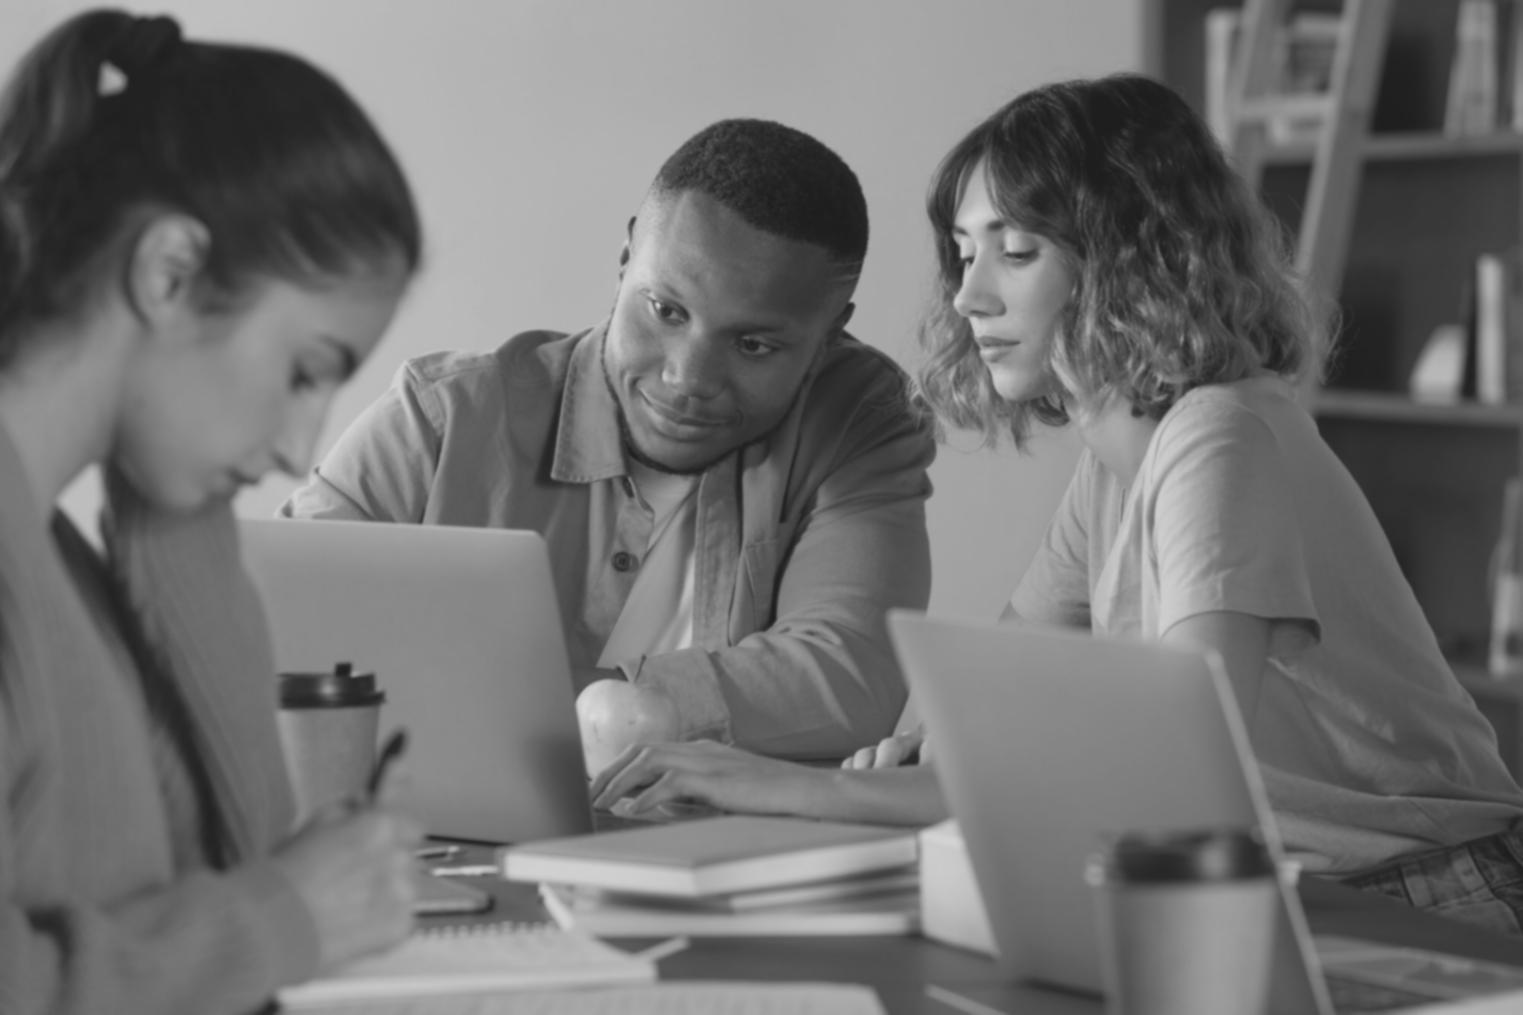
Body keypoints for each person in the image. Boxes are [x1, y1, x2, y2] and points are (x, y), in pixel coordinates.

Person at [590, 74, 1523, 935]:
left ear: (1134, 258)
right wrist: (896, 763)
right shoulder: (1117, 466)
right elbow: (971, 726)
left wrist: (795, 790)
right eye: (962, 254)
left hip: (1423, 892)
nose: (967, 295)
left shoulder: (1217, 438)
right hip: (1278, 885)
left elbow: (1170, 781)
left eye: (1016, 250)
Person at [0, 10, 427, 1012]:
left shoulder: (59, 555)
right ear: (169, 272)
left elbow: (219, 884)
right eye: (304, 371)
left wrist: (176, 530)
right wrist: (286, 915)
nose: (300, 449)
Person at [281, 118, 936, 760]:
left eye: (753, 344)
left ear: (828, 334)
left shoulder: (858, 418)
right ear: (626, 259)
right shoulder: (439, 417)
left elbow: (850, 669)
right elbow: (267, 623)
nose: (687, 379)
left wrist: (627, 711)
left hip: (701, 859)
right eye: (666, 310)